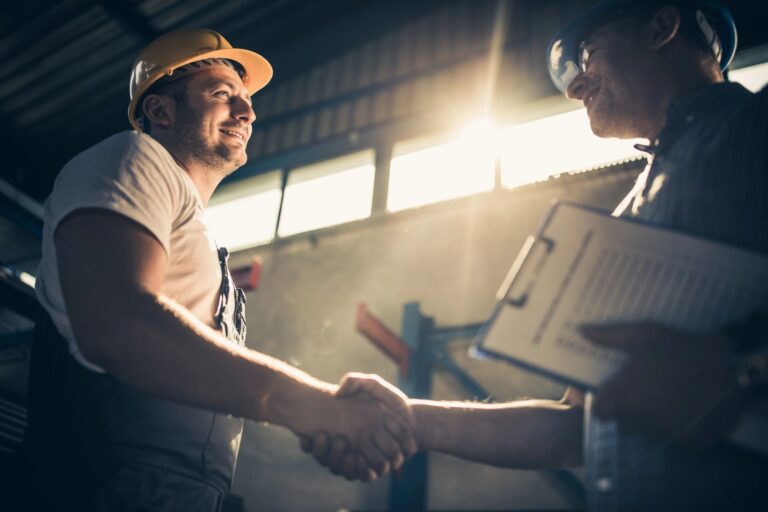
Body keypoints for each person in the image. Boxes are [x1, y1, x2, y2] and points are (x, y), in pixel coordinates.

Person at [303, 1, 768, 510]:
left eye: (586, 54)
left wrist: (743, 369)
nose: (573, 86)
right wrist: (408, 419)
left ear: (662, 27)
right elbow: (575, 428)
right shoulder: (621, 218)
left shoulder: (754, 128)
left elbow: (726, 368)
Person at [20, 29, 416, 512]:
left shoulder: (201, 236)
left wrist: (324, 422)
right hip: (99, 487)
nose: (247, 112)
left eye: (246, 100)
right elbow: (117, 323)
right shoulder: (131, 158)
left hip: (182, 494)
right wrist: (316, 409)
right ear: (161, 111)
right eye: (222, 94)